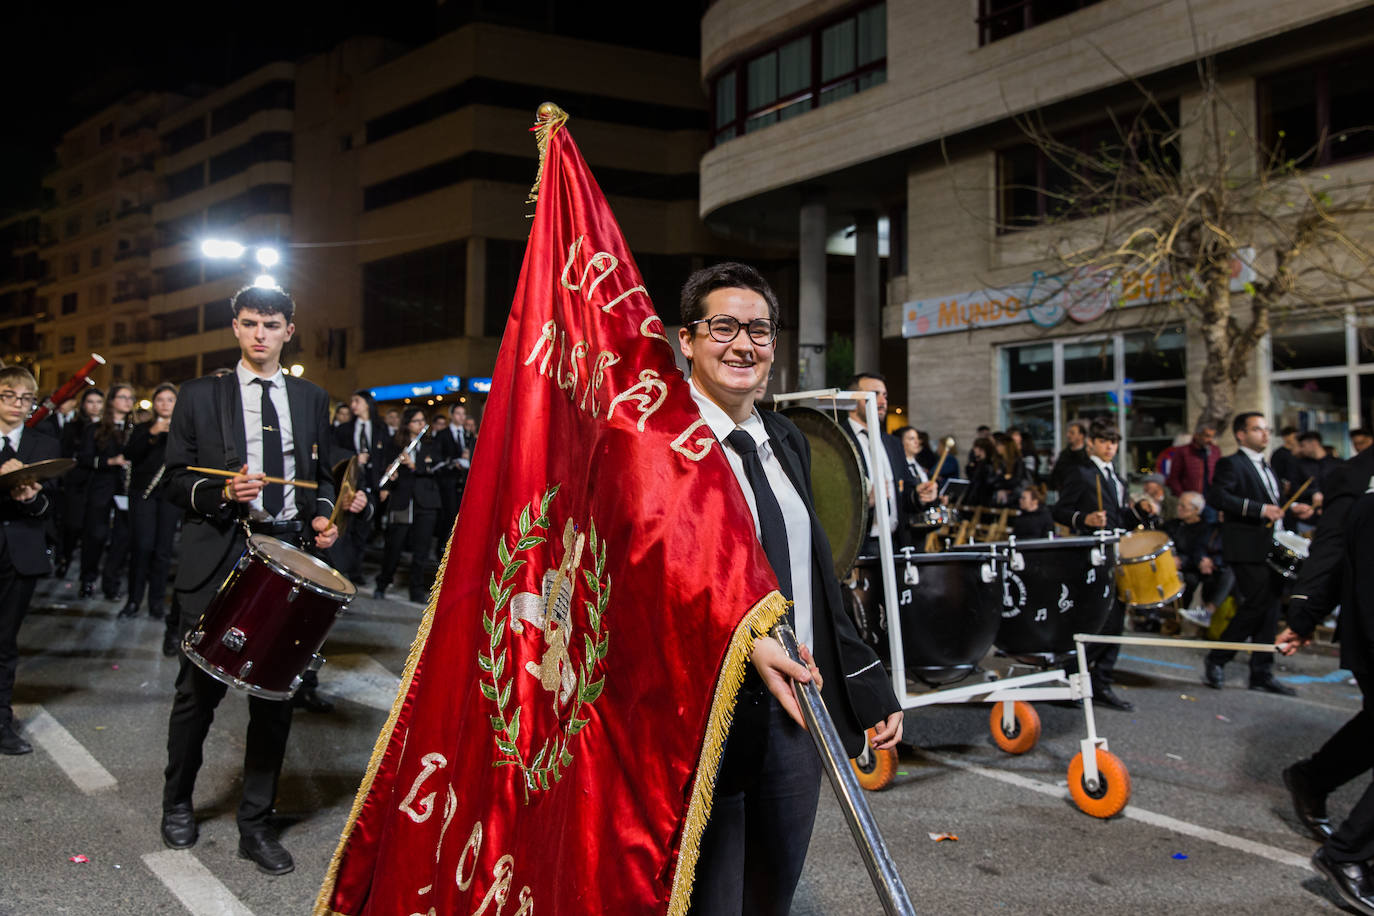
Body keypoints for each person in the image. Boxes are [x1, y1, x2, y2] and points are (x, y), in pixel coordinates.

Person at [676, 263, 901, 916]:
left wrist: (866, 680)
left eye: (760, 330)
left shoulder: (789, 441)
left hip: (798, 712)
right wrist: (742, 641)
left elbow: (817, 577)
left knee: (771, 897)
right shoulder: (662, 450)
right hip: (704, 716)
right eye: (724, 326)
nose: (744, 344)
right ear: (687, 340)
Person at [158, 284, 366, 874]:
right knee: (195, 696)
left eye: (270, 325)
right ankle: (177, 804)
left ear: (288, 331)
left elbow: (322, 476)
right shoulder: (200, 395)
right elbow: (174, 480)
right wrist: (220, 492)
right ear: (234, 327)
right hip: (219, 553)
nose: (259, 335)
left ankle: (257, 822)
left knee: (276, 699)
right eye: (249, 323)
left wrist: (325, 514)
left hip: (288, 556)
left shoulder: (311, 397)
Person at [1274, 442, 1374, 914]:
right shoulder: (1356, 476)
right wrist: (1304, 613)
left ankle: (1312, 778)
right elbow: (1330, 550)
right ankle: (1348, 853)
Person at [1201, 411, 1313, 694]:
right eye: (1257, 429)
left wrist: (1291, 507)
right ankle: (1218, 657)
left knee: (1271, 608)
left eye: (1266, 429)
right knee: (1257, 604)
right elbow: (1218, 497)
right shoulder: (1231, 463)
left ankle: (1261, 672)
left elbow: (1274, 501)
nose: (1265, 434)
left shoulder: (1267, 465)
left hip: (1272, 545)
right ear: (1241, 434)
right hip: (1247, 546)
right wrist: (1260, 510)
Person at [1050, 417, 1153, 710]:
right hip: (1091, 555)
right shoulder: (1081, 474)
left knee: (1117, 618)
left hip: (1116, 550)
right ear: (1092, 443)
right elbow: (1058, 510)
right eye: (1105, 441)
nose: (1110, 447)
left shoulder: (1118, 479)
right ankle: (1071, 677)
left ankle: (1102, 682)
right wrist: (1085, 519)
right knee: (1097, 619)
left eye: (1114, 441)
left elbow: (1120, 518)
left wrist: (1139, 512)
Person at [0, 366, 61, 755]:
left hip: (19, 553)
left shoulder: (44, 444)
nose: (17, 405)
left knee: (4, 642)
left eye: (25, 398)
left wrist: (31, 499)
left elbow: (49, 508)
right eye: (8, 395)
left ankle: (1, 724)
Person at [122, 383, 180, 620]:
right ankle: (133, 600)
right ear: (154, 403)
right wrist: (152, 433)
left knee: (163, 551)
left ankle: (156, 603)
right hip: (143, 493)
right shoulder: (143, 428)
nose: (164, 404)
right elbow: (130, 455)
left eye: (170, 400)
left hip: (169, 496)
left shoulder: (181, 430)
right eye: (160, 400)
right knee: (142, 547)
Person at [373, 406, 441, 603]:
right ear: (407, 424)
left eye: (423, 421)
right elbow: (388, 471)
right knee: (394, 545)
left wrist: (414, 465)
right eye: (416, 421)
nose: (421, 425)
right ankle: (383, 583)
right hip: (402, 500)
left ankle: (417, 589)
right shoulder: (395, 444)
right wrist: (391, 476)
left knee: (421, 549)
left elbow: (436, 468)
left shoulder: (431, 444)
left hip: (426, 502)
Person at [77, 382, 134, 601]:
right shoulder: (95, 428)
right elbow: (83, 458)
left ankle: (112, 585)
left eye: (130, 398)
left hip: (126, 491)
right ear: (112, 401)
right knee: (95, 536)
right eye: (122, 397)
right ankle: (87, 580)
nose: (127, 402)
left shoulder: (136, 430)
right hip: (101, 489)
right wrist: (110, 461)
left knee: (121, 540)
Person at [331, 389, 388, 586]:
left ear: (367, 404)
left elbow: (385, 457)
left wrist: (385, 484)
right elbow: (336, 454)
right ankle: (341, 568)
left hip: (372, 485)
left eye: (357, 401)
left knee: (364, 530)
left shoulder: (380, 429)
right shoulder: (343, 430)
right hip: (350, 484)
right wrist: (355, 459)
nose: (353, 405)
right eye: (352, 401)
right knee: (345, 529)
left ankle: (356, 570)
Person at [842, 373, 903, 556]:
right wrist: (863, 502)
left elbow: (905, 492)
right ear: (853, 399)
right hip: (858, 545)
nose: (882, 401)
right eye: (874, 394)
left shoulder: (892, 443)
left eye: (884, 395)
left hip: (895, 543)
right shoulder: (837, 439)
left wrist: (921, 495)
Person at [56, 387, 103, 578]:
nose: (94, 406)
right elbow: (65, 454)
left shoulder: (107, 427)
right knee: (72, 526)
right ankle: (64, 559)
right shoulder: (72, 427)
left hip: (98, 485)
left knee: (94, 533)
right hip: (75, 484)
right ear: (83, 405)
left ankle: (88, 576)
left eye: (98, 402)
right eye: (90, 402)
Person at [1166, 491, 1231, 625]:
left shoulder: (1206, 527)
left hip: (1206, 569)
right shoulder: (1173, 525)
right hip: (1189, 563)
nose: (1179, 509)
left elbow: (1228, 553)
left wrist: (1212, 562)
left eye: (1183, 506)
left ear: (1196, 510)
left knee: (1193, 580)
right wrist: (1202, 559)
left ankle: (1203, 613)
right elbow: (1200, 548)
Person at [1165, 421, 1220, 500]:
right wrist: (1182, 496)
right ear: (1197, 435)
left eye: (1212, 436)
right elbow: (1174, 478)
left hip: (1211, 499)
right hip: (1191, 500)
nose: (1210, 440)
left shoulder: (1215, 451)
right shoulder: (1184, 451)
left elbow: (1219, 476)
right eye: (1207, 436)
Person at [1049, 419, 1090, 492]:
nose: (1068, 435)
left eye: (1072, 433)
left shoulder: (1088, 455)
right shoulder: (1064, 454)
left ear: (1081, 436)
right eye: (1068, 432)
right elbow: (1055, 476)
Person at [1270, 426, 1300, 491]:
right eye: (1294, 437)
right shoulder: (1279, 453)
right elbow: (1275, 472)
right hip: (1285, 489)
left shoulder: (1299, 452)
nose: (1296, 439)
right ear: (1285, 437)